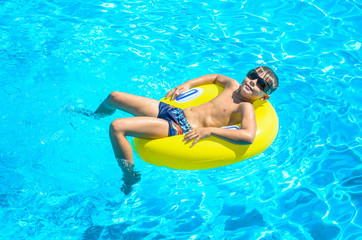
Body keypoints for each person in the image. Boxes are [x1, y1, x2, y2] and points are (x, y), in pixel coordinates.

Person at [93, 66, 279, 194]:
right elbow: (213, 77)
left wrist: (210, 131)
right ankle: (94, 117)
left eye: (261, 85)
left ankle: (129, 175)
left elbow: (247, 136)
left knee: (118, 126)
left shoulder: (245, 107)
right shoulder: (231, 84)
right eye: (252, 75)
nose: (253, 82)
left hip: (181, 127)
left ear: (264, 98)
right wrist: (187, 84)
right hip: (174, 111)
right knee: (113, 97)